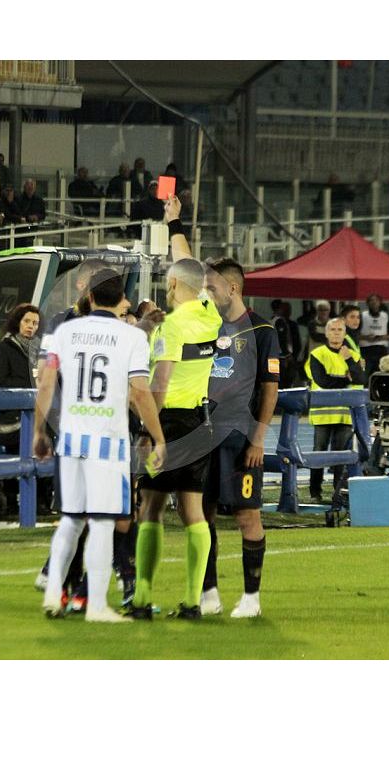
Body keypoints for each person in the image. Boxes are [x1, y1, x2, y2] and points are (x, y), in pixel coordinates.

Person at [34, 270, 166, 623]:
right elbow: (140, 393)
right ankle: (96, 605)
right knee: (104, 523)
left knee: (71, 520)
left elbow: (46, 383)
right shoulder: (132, 337)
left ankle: (53, 594)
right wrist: (158, 436)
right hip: (108, 443)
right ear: (122, 299)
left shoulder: (65, 332)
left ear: (89, 297)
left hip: (71, 439)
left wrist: (38, 431)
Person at [127, 202, 222, 620]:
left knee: (150, 507)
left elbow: (160, 384)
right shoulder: (209, 313)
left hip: (168, 421)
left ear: (170, 284)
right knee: (192, 511)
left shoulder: (171, 326)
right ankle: (192, 602)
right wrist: (174, 223)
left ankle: (142, 600)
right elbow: (187, 261)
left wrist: (149, 432)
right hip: (200, 422)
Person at [200, 256, 280, 618]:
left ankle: (251, 598)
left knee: (247, 516)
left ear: (232, 288)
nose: (206, 292)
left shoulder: (262, 331)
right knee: (202, 515)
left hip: (240, 439)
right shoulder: (205, 326)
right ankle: (209, 593)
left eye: (211, 286)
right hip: (203, 437)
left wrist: (258, 439)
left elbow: (270, 390)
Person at [305, 318, 365, 502]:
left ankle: (337, 492)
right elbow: (323, 381)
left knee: (341, 455)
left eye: (340, 329)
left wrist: (349, 361)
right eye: (333, 329)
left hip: (345, 414)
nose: (336, 333)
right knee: (319, 453)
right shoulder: (317, 354)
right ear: (326, 333)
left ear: (345, 333)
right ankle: (315, 492)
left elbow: (360, 379)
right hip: (323, 414)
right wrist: (346, 379)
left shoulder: (353, 355)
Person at [0, 303, 41, 451]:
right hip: (13, 421)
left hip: (38, 419)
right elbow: (1, 381)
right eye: (27, 321)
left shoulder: (39, 350)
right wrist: (31, 382)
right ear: (17, 322)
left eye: (35, 323)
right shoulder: (3, 348)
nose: (31, 326)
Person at [359, 293, 389, 376]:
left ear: (380, 302)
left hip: (381, 350)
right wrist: (366, 337)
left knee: (380, 374)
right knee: (364, 374)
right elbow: (355, 335)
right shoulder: (362, 316)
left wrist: (381, 337)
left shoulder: (385, 316)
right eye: (371, 300)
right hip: (365, 350)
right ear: (367, 303)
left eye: (376, 300)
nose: (374, 302)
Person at [271, 299, 301, 387]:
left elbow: (297, 342)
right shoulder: (277, 321)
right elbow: (281, 340)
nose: (288, 312)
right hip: (280, 358)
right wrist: (287, 356)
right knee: (280, 382)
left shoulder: (291, 324)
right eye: (285, 309)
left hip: (287, 357)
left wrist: (294, 357)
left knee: (287, 382)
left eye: (289, 310)